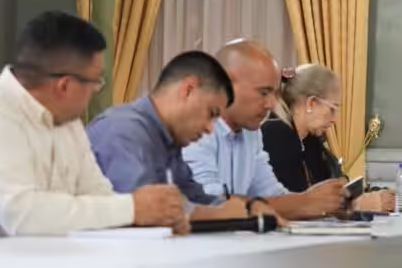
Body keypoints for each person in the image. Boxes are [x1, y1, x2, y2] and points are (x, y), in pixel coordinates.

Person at [0, 11, 184, 235]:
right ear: (65, 86)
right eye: (96, 81)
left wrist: (154, 217)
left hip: (63, 263)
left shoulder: (66, 118)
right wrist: (132, 208)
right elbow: (23, 215)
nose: (96, 90)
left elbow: (98, 195)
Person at [87, 51, 275, 224]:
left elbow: (197, 197)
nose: (210, 129)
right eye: (211, 113)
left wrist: (248, 206)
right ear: (188, 89)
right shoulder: (124, 131)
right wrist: (222, 213)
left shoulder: (169, 139)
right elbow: (148, 210)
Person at [183, 40, 347, 219]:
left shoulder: (251, 132)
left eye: (275, 94)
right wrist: (306, 201)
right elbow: (209, 204)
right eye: (263, 93)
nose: (271, 104)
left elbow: (273, 195)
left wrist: (324, 202)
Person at [262, 64, 394, 211]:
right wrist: (356, 205)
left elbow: (337, 190)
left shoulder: (310, 140)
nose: (335, 119)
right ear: (311, 103)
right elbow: (297, 204)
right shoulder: (275, 135)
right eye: (332, 108)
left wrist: (390, 198)